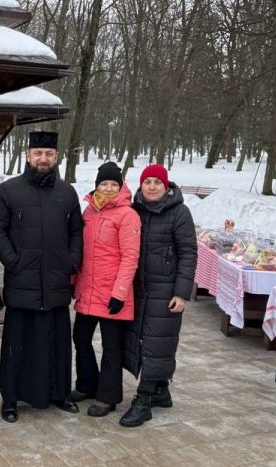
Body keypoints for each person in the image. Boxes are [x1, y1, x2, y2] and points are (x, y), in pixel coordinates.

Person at [0, 131, 84, 422]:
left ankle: (59, 393)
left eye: (49, 154)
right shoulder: (10, 191)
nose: (43, 159)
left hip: (55, 283)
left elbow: (76, 231)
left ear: (57, 157)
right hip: (23, 283)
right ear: (28, 155)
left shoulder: (67, 193)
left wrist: (71, 260)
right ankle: (11, 399)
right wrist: (12, 260)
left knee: (57, 344)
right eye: (38, 153)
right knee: (18, 346)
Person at [120, 163, 198, 428]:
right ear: (140, 185)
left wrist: (181, 293)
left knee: (155, 344)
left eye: (157, 183)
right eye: (147, 182)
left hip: (165, 291)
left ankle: (143, 400)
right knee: (141, 339)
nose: (152, 187)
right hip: (138, 289)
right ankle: (160, 390)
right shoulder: (134, 211)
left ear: (166, 186)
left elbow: (188, 254)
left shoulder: (179, 213)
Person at [69, 162, 141, 417]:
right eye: (104, 184)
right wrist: (73, 281)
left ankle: (107, 396)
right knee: (80, 338)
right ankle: (87, 384)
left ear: (120, 186)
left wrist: (119, 292)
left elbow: (130, 257)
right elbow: (80, 250)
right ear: (96, 185)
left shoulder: (128, 215)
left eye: (113, 184)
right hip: (88, 290)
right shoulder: (89, 212)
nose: (108, 188)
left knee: (112, 347)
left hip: (113, 294)